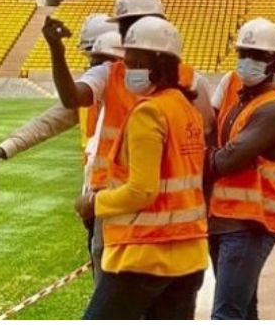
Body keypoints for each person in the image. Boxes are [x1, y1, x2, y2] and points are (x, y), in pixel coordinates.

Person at [42, 0, 214, 279]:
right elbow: (73, 98)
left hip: (168, 217)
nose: (132, 32)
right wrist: (57, 53)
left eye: (137, 23)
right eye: (125, 26)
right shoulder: (111, 72)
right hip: (116, 202)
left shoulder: (191, 80)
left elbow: (205, 140)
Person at [75, 16, 208, 320]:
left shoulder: (149, 113)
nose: (128, 68)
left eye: (135, 61)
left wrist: (94, 202)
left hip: (146, 253)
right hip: (188, 253)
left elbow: (141, 190)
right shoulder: (185, 107)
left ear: (158, 63)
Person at [0, 14, 118, 275]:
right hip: (97, 206)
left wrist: (56, 51)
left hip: (118, 207)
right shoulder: (92, 92)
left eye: (99, 59)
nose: (93, 66)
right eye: (91, 59)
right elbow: (47, 122)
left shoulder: (136, 95)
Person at [205, 18, 275, 320]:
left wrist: (195, 157)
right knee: (242, 311)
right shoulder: (243, 101)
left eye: (257, 56)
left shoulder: (271, 110)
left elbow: (227, 160)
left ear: (274, 62)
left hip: (249, 223)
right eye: (243, 54)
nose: (248, 62)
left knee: (226, 315)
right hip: (225, 219)